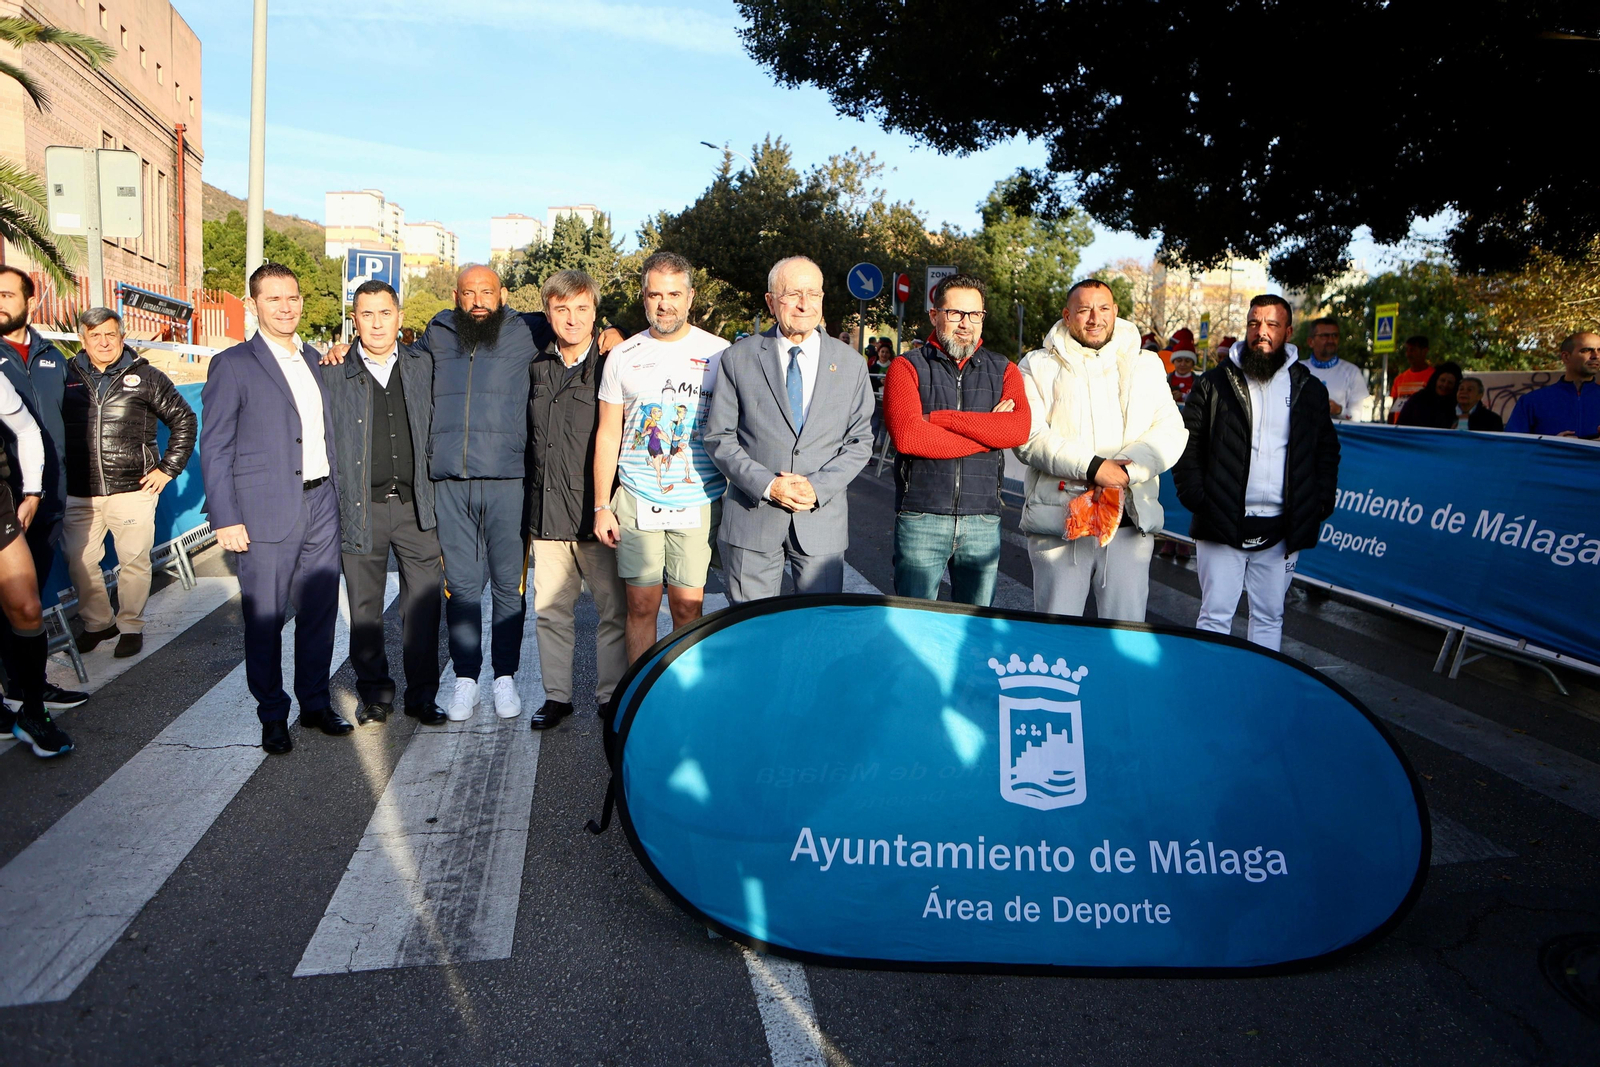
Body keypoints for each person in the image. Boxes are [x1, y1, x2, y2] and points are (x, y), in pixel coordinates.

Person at [200, 263, 349, 754]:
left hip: (322, 502)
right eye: (274, 299)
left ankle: (314, 702)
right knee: (264, 618)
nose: (286, 307)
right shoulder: (234, 364)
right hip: (263, 511)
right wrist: (224, 517)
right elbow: (216, 445)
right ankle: (271, 714)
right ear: (254, 304)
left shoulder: (316, 359)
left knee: (319, 612)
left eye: (293, 298)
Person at [704, 256, 874, 605]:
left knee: (817, 636)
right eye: (793, 293)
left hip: (820, 523)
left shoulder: (851, 364)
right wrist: (768, 485)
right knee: (753, 635)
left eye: (813, 293)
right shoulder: (738, 358)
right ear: (770, 301)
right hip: (752, 521)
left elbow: (860, 441)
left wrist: (817, 487)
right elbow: (719, 436)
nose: (804, 304)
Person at [1015, 279, 1188, 621]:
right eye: (1084, 310)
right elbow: (1030, 437)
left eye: (1104, 308)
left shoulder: (1147, 365)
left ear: (1116, 312)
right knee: (1055, 638)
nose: (1095, 318)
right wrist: (1094, 468)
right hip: (1061, 523)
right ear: (1067, 316)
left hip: (1129, 524)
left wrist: (1127, 471)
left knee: (1125, 638)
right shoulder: (1036, 366)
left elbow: (1171, 430)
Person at [1174, 295, 1340, 651]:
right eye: (1253, 324)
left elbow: (1327, 451)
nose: (1260, 332)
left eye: (1271, 325)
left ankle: (1259, 696)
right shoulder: (1214, 383)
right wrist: (1200, 500)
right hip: (1220, 521)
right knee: (1215, 615)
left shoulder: (1308, 389)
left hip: (1283, 527)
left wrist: (1319, 503)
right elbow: (1186, 445)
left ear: (1288, 332)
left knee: (1269, 618)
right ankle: (1211, 691)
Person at [594, 252, 728, 663]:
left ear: (690, 297)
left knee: (689, 608)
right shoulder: (623, 355)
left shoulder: (720, 354)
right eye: (655, 294)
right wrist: (602, 505)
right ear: (643, 297)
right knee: (641, 606)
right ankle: (641, 702)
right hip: (636, 499)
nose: (664, 303)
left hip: (698, 499)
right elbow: (608, 432)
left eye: (674, 294)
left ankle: (683, 698)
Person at [323, 280, 445, 727]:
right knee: (365, 610)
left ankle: (422, 696)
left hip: (418, 509)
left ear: (399, 316)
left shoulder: (423, 364)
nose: (376, 323)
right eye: (366, 314)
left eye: (384, 313)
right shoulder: (332, 370)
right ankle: (374, 693)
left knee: (424, 609)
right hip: (361, 508)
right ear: (354, 320)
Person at [422, 264, 540, 722]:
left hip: (509, 480)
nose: (477, 301)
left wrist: (615, 330)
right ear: (455, 295)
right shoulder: (437, 333)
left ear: (502, 295)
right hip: (450, 480)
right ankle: (466, 679)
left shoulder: (526, 332)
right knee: (463, 588)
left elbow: (578, 328)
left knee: (509, 587)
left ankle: (505, 677)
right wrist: (340, 350)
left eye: (486, 292)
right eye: (468, 292)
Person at [882, 273, 1029, 605]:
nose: (966, 323)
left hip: (983, 518)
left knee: (974, 631)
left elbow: (1017, 430)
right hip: (922, 515)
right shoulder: (906, 367)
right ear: (935, 316)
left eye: (975, 314)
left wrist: (941, 421)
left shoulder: (1005, 370)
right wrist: (990, 431)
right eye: (955, 313)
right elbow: (908, 437)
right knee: (914, 625)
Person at [62, 308, 197, 659]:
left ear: (122, 337)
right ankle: (99, 623)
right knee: (79, 561)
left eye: (110, 334)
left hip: (133, 490)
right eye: (95, 336)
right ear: (83, 340)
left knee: (133, 562)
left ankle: (130, 626)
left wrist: (168, 469)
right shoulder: (67, 376)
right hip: (80, 491)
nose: (104, 342)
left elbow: (184, 418)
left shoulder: (147, 376)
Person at [524, 270, 627, 729]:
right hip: (545, 512)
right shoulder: (533, 362)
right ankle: (557, 697)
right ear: (547, 312)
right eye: (561, 309)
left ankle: (609, 697)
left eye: (582, 308)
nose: (571, 318)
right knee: (551, 613)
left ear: (595, 314)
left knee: (613, 613)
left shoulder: (613, 363)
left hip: (596, 512)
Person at [0, 266, 88, 714]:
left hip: (49, 496)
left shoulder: (52, 355)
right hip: (7, 501)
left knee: (28, 599)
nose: (0, 302)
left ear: (30, 302)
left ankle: (24, 685)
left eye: (7, 294)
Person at [1506, 332, 1600, 438]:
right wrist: (1552, 444)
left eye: (1599, 351)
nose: (1596, 356)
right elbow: (1512, 446)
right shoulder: (1532, 401)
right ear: (1566, 357)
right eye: (1587, 350)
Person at [1301, 317, 1370, 421]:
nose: (1331, 340)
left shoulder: (1352, 372)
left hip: (1338, 436)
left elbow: (1358, 417)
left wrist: (1339, 410)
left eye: (1335, 335)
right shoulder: (1297, 370)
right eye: (1324, 336)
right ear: (1311, 342)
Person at [1396, 362, 1463, 428]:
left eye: (1450, 383)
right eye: (1442, 380)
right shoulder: (1418, 399)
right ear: (1435, 380)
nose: (1445, 385)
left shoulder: (1459, 406)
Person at [1388, 335, 1433, 418]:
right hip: (1400, 428)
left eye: (1412, 350)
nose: (1408, 354)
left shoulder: (1435, 377)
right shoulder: (1399, 379)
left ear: (1424, 351)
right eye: (1407, 350)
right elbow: (1393, 409)